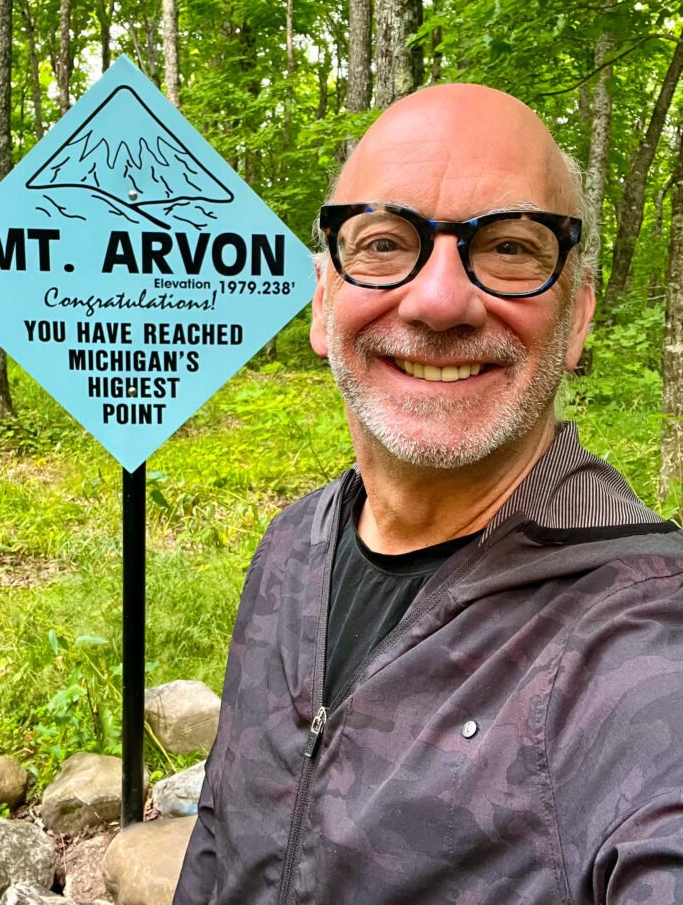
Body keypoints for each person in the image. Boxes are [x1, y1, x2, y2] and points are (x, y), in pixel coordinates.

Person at [173, 85, 683, 905]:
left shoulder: (639, 640)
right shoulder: (290, 548)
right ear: (322, 304)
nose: (440, 300)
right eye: (383, 243)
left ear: (577, 317)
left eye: (512, 248)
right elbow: (221, 843)